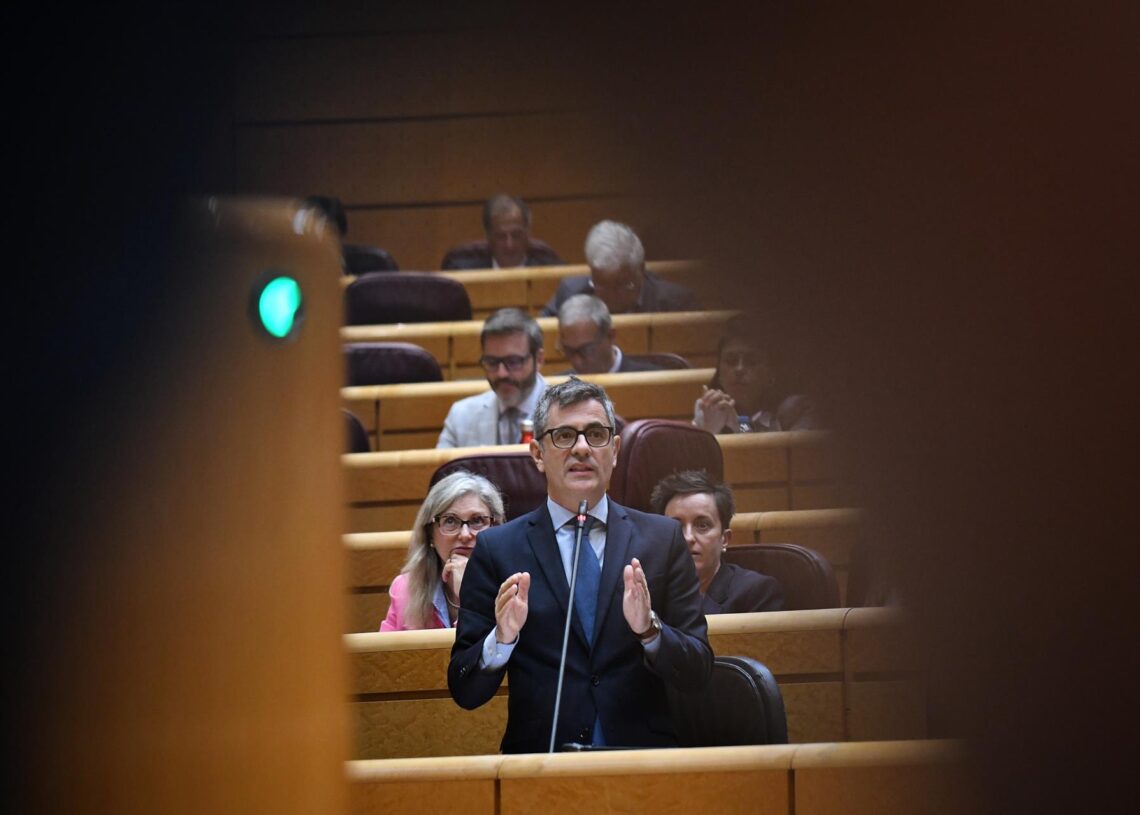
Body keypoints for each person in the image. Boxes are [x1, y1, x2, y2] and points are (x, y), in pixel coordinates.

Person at [448, 378, 713, 753]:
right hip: (542, 764)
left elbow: (698, 672)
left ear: (615, 449)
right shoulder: (496, 550)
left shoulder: (662, 539)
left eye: (596, 434)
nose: (583, 448)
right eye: (565, 436)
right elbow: (465, 689)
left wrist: (650, 630)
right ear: (537, 453)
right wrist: (501, 640)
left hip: (645, 764)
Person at [381, 470, 506, 631]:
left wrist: (468, 597)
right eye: (450, 521)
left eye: (477, 520)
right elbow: (385, 655)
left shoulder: (513, 587)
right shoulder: (406, 589)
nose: (465, 535)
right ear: (430, 534)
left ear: (496, 528)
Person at [650, 470, 784, 614]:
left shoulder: (756, 593)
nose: (688, 537)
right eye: (676, 526)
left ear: (724, 539)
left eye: (702, 525)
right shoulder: (647, 593)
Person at [437, 308, 548, 448]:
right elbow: (441, 469)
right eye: (492, 362)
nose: (501, 374)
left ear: (538, 360)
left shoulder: (568, 414)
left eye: (513, 362)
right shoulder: (461, 417)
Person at [540, 220, 699, 316]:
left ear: (641, 269)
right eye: (601, 285)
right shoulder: (571, 292)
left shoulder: (675, 303)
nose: (612, 296)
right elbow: (538, 334)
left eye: (623, 285)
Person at [693, 314, 821, 433]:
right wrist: (708, 431)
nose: (739, 369)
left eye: (751, 362)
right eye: (731, 361)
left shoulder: (796, 410)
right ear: (719, 372)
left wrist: (738, 427)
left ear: (771, 372)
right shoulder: (709, 408)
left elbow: (762, 455)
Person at [441, 194, 564, 270]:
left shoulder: (550, 267)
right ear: (488, 237)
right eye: (500, 236)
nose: (509, 245)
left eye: (516, 235)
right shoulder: (463, 269)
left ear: (528, 234)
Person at [556, 294, 665, 374]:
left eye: (587, 350)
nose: (577, 361)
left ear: (610, 335)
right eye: (568, 350)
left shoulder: (651, 379)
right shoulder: (556, 390)